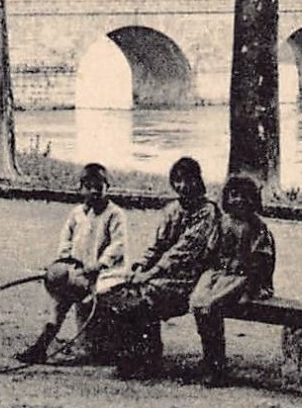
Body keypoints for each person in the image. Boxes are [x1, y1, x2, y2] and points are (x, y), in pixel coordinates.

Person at [88, 156, 220, 370]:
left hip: (191, 275)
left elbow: (184, 252)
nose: (182, 186)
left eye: (187, 180)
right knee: (120, 290)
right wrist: (140, 266)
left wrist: (150, 274)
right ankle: (134, 352)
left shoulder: (207, 212)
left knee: (145, 294)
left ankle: (147, 355)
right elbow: (158, 245)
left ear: (198, 181)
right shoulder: (172, 210)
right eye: (177, 180)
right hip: (163, 272)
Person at [15, 163, 129, 364]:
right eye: (89, 186)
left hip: (106, 274)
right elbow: (65, 238)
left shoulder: (115, 214)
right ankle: (41, 346)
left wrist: (99, 265)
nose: (94, 191)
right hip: (78, 269)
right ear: (81, 188)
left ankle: (96, 347)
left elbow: (118, 245)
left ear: (107, 187)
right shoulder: (77, 213)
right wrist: (64, 261)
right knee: (59, 303)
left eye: (99, 186)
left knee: (91, 305)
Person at [189, 175, 276, 387]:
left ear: (254, 200)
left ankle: (217, 365)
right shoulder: (223, 222)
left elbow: (261, 261)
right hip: (220, 274)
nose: (239, 201)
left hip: (245, 278)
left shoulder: (257, 227)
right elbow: (210, 250)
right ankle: (209, 355)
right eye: (234, 195)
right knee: (198, 301)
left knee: (213, 304)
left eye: (245, 197)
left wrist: (251, 287)